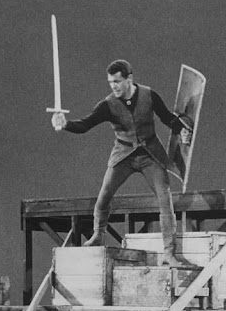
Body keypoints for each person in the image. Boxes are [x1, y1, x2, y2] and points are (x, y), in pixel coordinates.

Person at [51, 59, 193, 266]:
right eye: (110, 82)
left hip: (150, 154)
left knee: (165, 199)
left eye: (117, 82)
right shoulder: (107, 105)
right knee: (104, 195)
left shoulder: (149, 95)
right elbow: (85, 124)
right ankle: (98, 235)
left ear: (129, 79)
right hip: (124, 155)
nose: (114, 86)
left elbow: (167, 118)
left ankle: (170, 253)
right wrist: (65, 124)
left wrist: (182, 129)